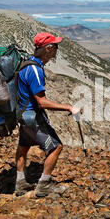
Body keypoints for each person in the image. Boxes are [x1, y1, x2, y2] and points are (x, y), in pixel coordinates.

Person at [15, 32, 80, 197]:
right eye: (55, 46)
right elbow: (41, 102)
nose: (57, 50)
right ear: (48, 48)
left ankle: (20, 183)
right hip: (34, 118)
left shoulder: (26, 64)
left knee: (23, 148)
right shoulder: (35, 70)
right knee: (56, 147)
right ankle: (44, 186)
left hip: (22, 115)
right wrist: (69, 108)